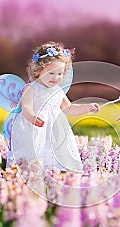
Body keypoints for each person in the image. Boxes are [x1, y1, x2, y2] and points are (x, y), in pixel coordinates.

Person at [11, 41, 99, 171]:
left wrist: (87, 108)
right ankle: (34, 171)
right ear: (38, 69)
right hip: (35, 127)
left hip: (56, 129)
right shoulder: (32, 88)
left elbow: (68, 108)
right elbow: (26, 108)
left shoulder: (58, 90)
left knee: (55, 152)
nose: (56, 78)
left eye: (60, 74)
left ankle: (56, 172)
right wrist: (32, 117)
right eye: (51, 73)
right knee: (36, 152)